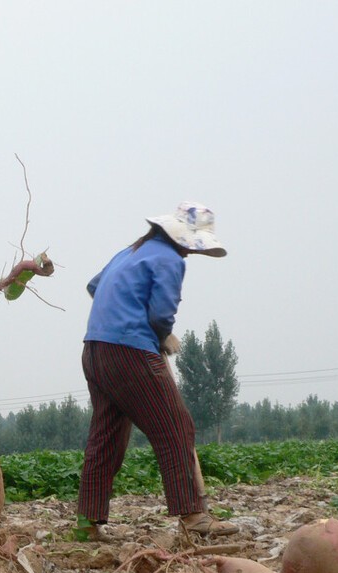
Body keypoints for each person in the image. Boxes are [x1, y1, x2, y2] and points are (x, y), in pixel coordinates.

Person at [75, 202, 235, 541]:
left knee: (106, 436)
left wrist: (120, 310)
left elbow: (94, 287)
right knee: (175, 427)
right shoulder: (169, 259)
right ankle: (193, 516)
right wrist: (162, 333)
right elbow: (162, 311)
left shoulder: (129, 252)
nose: (191, 253)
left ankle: (87, 524)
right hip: (130, 352)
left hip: (95, 349)